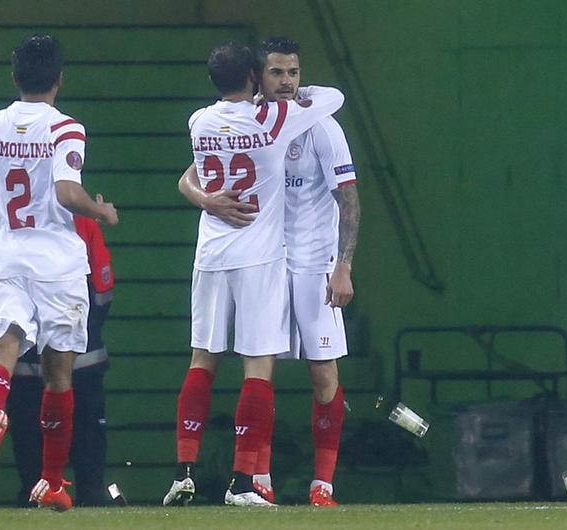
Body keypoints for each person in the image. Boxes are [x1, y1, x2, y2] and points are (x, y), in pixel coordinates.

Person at [177, 37, 359, 507]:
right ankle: (259, 479)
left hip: (312, 264)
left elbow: (349, 199)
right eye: (276, 72)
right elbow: (190, 176)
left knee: (323, 375)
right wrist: (207, 198)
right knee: (264, 369)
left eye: (293, 73)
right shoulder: (264, 121)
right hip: (267, 260)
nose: (286, 82)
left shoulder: (320, 128)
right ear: (259, 77)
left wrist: (344, 266)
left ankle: (323, 486)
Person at [0, 34, 118, 512]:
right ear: (59, 80)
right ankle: (50, 481)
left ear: (15, 78)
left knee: (2, 352)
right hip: (57, 263)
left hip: (2, 255)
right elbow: (68, 193)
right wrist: (100, 210)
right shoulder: (66, 128)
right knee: (59, 373)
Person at [7, 215, 114, 507]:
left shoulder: (82, 225)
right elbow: (102, 294)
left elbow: (103, 293)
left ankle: (51, 497)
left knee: (56, 450)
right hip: (69, 362)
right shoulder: (80, 224)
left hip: (60, 364)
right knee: (62, 449)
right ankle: (56, 496)